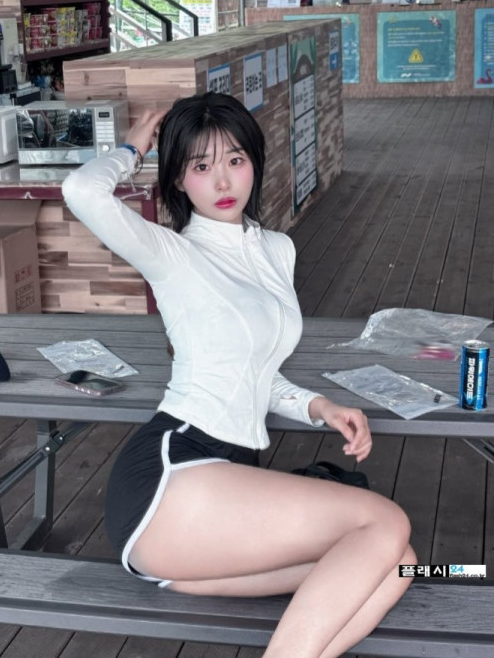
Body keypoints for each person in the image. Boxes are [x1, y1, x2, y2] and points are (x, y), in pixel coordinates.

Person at [62, 93, 416, 658]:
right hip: (171, 476)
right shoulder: (172, 254)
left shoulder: (277, 250)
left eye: (235, 159)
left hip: (218, 505)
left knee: (401, 562)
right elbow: (81, 191)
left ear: (254, 161)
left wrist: (319, 407)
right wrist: (133, 147)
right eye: (200, 166)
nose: (223, 180)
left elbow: (255, 367)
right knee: (385, 522)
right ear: (179, 180)